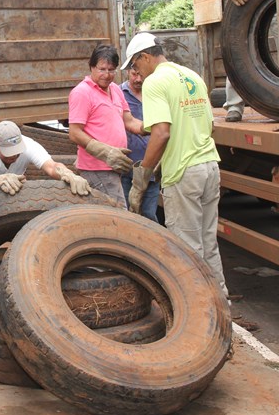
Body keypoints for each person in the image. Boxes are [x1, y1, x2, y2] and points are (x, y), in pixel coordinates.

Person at [122, 32, 229, 298]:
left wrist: (143, 174)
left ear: (145, 57)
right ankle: (221, 302)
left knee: (186, 249)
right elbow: (209, 125)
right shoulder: (191, 76)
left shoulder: (155, 82)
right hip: (209, 167)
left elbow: (162, 132)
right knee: (207, 243)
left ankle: (199, 312)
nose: (137, 73)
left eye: (135, 65)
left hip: (184, 173)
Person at [68, 44, 143, 207]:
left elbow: (129, 121)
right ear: (92, 67)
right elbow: (74, 133)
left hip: (114, 168)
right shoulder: (82, 93)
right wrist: (104, 152)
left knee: (111, 215)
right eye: (102, 69)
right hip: (96, 169)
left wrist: (151, 127)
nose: (107, 75)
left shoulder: (115, 90)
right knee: (119, 215)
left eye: (111, 70)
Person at [0, 120, 90, 205]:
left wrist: (67, 174)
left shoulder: (29, 145)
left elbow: (51, 166)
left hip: (14, 177)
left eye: (17, 150)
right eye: (8, 152)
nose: (14, 156)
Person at [120, 67, 160, 222]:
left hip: (151, 167)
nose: (137, 79)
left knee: (149, 215)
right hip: (126, 166)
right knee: (126, 215)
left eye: (141, 75)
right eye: (134, 74)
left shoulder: (155, 93)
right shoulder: (118, 93)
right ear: (127, 72)